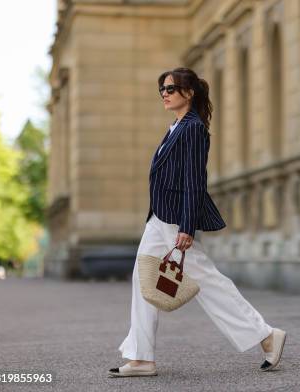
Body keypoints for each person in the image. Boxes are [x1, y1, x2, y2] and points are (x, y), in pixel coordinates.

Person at [109, 67, 287, 377]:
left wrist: (187, 227)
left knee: (206, 280)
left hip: (174, 217)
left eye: (171, 88)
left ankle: (266, 335)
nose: (164, 93)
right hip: (159, 216)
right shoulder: (175, 126)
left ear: (189, 93)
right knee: (144, 280)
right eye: (162, 89)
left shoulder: (192, 128)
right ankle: (141, 357)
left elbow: (194, 181)